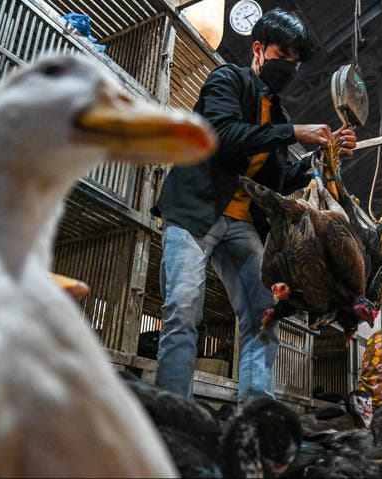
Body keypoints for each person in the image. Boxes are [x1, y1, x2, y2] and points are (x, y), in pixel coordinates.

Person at [151, 8, 357, 403]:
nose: (290, 67)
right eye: (285, 56)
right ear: (259, 49)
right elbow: (223, 134)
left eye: (296, 62)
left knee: (263, 317)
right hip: (195, 212)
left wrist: (325, 158)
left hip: (243, 223)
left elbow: (281, 181)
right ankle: (172, 412)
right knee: (182, 312)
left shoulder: (278, 113)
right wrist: (292, 132)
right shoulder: (227, 80)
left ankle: (256, 415)